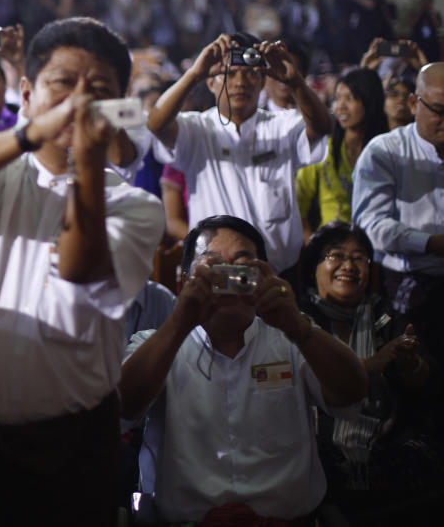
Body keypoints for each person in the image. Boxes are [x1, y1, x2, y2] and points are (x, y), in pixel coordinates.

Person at [0, 17, 164, 525]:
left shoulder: (135, 205)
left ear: (118, 107)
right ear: (28, 92)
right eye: (62, 84)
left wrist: (89, 163)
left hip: (70, 446)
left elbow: (79, 270)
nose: (78, 101)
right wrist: (31, 134)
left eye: (97, 90)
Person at [118, 215, 367, 524]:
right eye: (213, 267)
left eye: (242, 266)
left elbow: (353, 393)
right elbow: (120, 409)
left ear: (264, 276)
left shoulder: (292, 339)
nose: (228, 278)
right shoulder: (157, 344)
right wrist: (179, 325)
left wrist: (297, 326)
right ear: (184, 282)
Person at [146, 32, 332, 280]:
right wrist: (194, 74)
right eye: (229, 74)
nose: (240, 82)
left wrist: (295, 81)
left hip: (278, 275)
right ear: (211, 83)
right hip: (214, 276)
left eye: (250, 73)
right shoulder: (196, 129)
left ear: (263, 80)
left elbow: (322, 127)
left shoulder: (283, 125)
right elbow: (156, 123)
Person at [298, 221, 442, 522]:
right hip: (316, 449)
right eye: (335, 255)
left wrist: (410, 364)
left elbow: (424, 379)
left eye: (359, 257)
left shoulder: (383, 316)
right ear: (314, 267)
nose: (348, 265)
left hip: (384, 448)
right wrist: (369, 366)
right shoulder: (297, 319)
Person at [352, 62, 444, 361]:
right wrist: (431, 244)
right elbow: (371, 225)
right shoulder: (386, 151)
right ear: (414, 103)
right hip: (408, 282)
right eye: (440, 111)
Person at [296, 67, 387, 240]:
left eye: (350, 99)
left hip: (378, 247)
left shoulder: (387, 150)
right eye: (337, 99)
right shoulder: (323, 149)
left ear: (370, 101)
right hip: (330, 248)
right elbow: (298, 201)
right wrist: (310, 243)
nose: (341, 107)